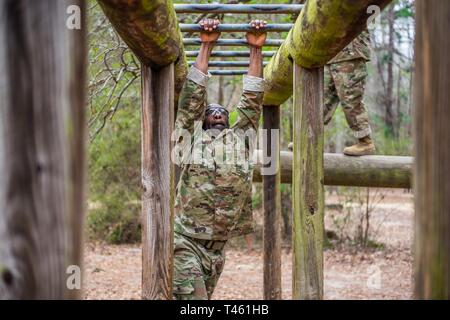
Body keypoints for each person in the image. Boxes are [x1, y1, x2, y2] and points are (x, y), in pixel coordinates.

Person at [172, 18, 267, 300]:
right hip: (185, 242)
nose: (216, 113)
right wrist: (206, 45)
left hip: (218, 251)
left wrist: (256, 49)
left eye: (222, 112)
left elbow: (252, 100)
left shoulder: (241, 141)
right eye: (211, 111)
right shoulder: (189, 140)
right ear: (203, 121)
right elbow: (191, 102)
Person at [324, 29, 375, 156]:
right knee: (320, 100)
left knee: (351, 100)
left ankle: (365, 141)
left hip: (350, 50)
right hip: (329, 52)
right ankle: (307, 138)